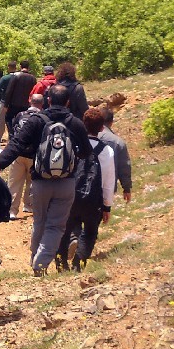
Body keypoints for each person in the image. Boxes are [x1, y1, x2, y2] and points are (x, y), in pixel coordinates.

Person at [0, 84, 90, 275]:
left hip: (40, 181)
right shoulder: (75, 123)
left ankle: (35, 260)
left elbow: (16, 145)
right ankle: (40, 262)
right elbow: (87, 152)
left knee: (39, 221)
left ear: (48, 100)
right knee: (56, 225)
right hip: (66, 182)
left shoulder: (37, 121)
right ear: (68, 102)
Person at [59, 108, 116, 272]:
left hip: (71, 195)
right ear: (101, 128)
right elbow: (108, 180)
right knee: (90, 232)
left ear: (84, 125)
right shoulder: (107, 151)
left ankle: (61, 263)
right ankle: (79, 263)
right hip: (93, 200)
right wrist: (107, 206)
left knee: (65, 230)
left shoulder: (73, 145)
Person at [5, 93, 46, 219]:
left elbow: (12, 132)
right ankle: (28, 205)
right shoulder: (43, 118)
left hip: (18, 154)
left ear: (30, 102)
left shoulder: (20, 115)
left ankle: (12, 210)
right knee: (31, 181)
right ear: (42, 104)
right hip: (34, 156)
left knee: (14, 182)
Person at [99, 106, 133, 204]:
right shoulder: (118, 142)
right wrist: (126, 188)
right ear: (111, 122)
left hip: (84, 186)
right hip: (107, 188)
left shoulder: (86, 136)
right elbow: (124, 167)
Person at [0, 59, 37, 130]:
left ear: (20, 66)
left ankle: (11, 134)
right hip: (26, 104)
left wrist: (6, 105)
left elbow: (9, 91)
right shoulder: (33, 78)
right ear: (28, 67)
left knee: (8, 119)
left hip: (14, 104)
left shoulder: (16, 76)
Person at [0, 60, 18, 140]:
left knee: (1, 120)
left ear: (8, 67)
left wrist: (3, 94)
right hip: (15, 102)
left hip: (4, 101)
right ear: (16, 67)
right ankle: (13, 137)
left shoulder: (5, 78)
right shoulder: (19, 77)